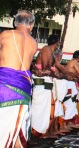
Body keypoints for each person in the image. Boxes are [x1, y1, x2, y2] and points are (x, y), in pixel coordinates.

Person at [0, 10, 37, 148]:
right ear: (31, 25)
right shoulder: (34, 42)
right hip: (23, 87)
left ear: (15, 22)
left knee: (4, 125)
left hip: (4, 86)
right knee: (17, 126)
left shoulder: (5, 35)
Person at [31, 34, 60, 139]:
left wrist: (54, 73)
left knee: (46, 107)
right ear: (57, 42)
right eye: (59, 42)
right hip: (41, 80)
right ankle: (37, 131)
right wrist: (53, 72)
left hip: (46, 81)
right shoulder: (46, 49)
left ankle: (44, 131)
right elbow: (44, 67)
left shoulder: (51, 52)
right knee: (40, 107)